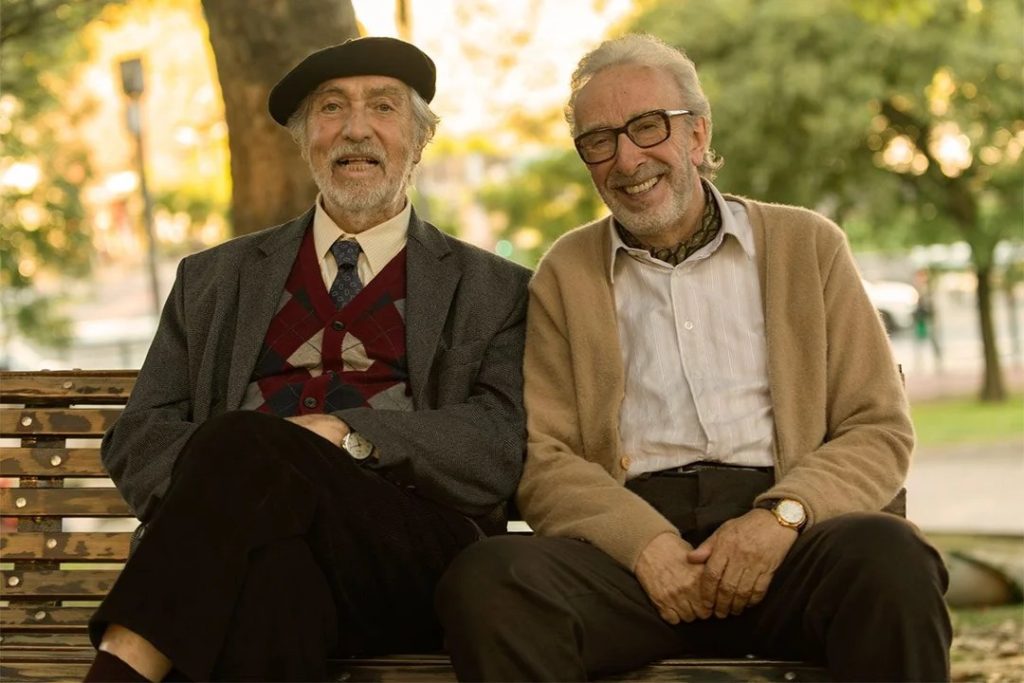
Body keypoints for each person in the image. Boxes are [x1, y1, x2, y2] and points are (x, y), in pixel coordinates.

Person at [437, 33, 951, 682]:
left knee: (892, 558)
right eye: (599, 141)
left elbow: (877, 427)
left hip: (789, 544)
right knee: (491, 580)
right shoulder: (566, 271)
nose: (627, 159)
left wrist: (781, 517)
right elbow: (546, 455)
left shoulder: (807, 245)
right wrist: (644, 545)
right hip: (632, 560)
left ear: (698, 134)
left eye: (647, 127)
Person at [84, 36, 531, 682]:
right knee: (274, 573)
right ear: (305, 140)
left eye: (383, 107)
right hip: (249, 559)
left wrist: (344, 434)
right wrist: (244, 484)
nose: (356, 129)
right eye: (331, 108)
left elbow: (496, 446)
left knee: (244, 442)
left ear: (419, 140)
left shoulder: (495, 289)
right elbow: (138, 439)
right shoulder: (211, 280)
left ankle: (121, 667)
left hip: (408, 555)